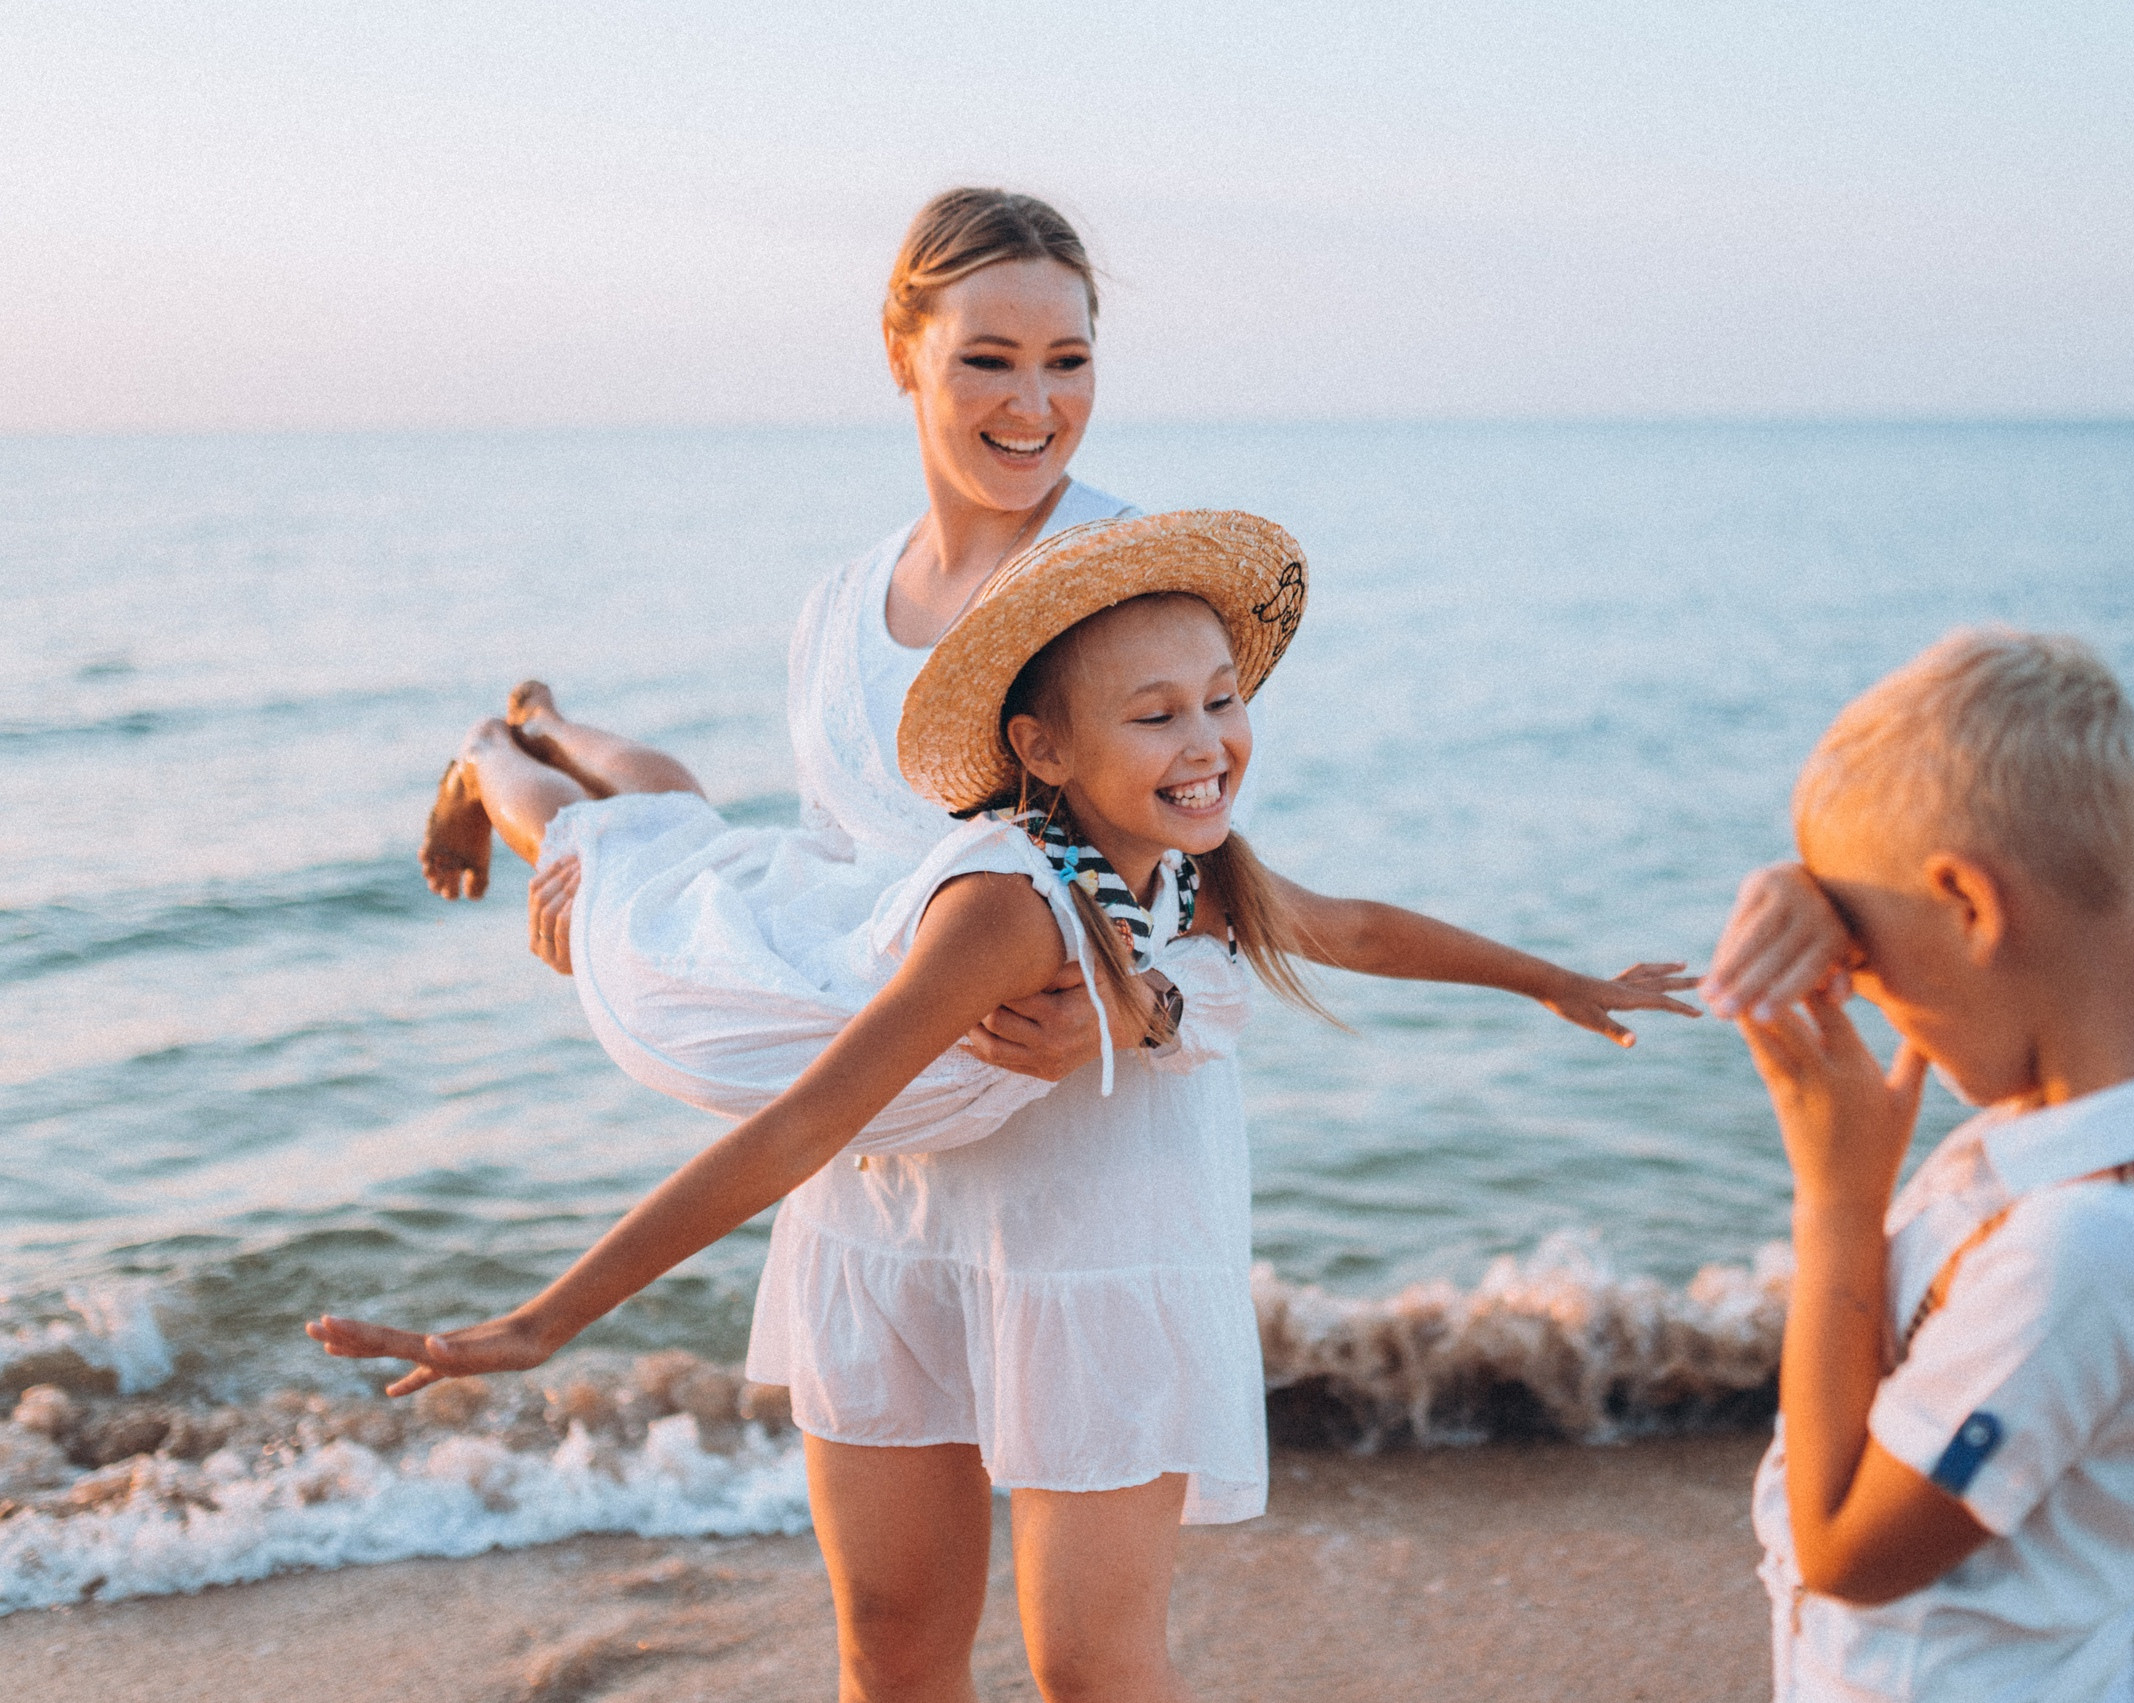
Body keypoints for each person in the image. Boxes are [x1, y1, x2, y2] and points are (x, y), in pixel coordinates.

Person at [316, 512, 1700, 1703]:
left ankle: (552, 714)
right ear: (1045, 747)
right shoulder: (1005, 910)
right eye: (1156, 715)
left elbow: (1356, 927)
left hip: (848, 974)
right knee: (607, 845)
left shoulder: (1183, 856)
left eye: (1221, 695)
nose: (1209, 739)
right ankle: (501, 740)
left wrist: (1557, 977)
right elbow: (800, 1125)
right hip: (734, 977)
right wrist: (540, 1319)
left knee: (683, 813)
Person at [418, 186, 1144, 1102]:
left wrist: (1137, 1010)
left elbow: (1227, 892)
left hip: (1084, 1158)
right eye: (989, 360)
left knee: (668, 844)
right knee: (635, 864)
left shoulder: (1127, 580)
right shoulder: (839, 607)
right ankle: (496, 746)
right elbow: (824, 861)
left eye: (1068, 360)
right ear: (901, 354)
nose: (1035, 404)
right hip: (873, 1130)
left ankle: (535, 727)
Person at [1706, 628, 2134, 1703]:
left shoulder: (2091, 1253)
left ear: (1971, 903)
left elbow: (1840, 1552)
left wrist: (1837, 1199)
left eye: (1865, 958)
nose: (1861, 992)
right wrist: (1831, 879)